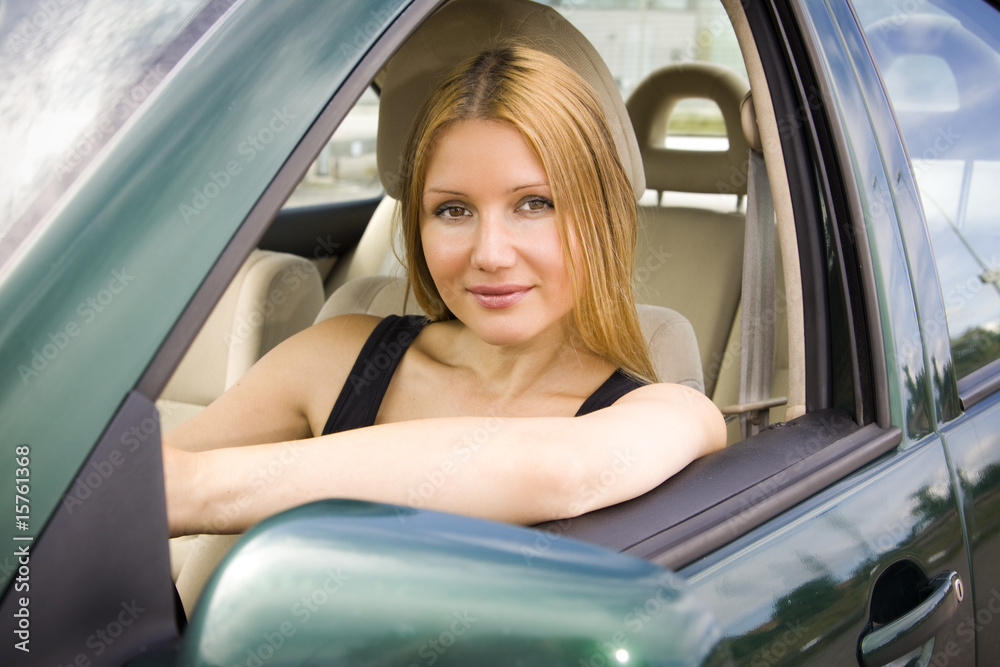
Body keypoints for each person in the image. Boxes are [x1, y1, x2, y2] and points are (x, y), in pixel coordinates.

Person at [162, 45, 726, 538]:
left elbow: (562, 469)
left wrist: (193, 492)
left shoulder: (673, 414)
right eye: (453, 210)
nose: (490, 254)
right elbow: (121, 487)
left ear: (600, 216)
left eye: (535, 204)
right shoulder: (332, 359)